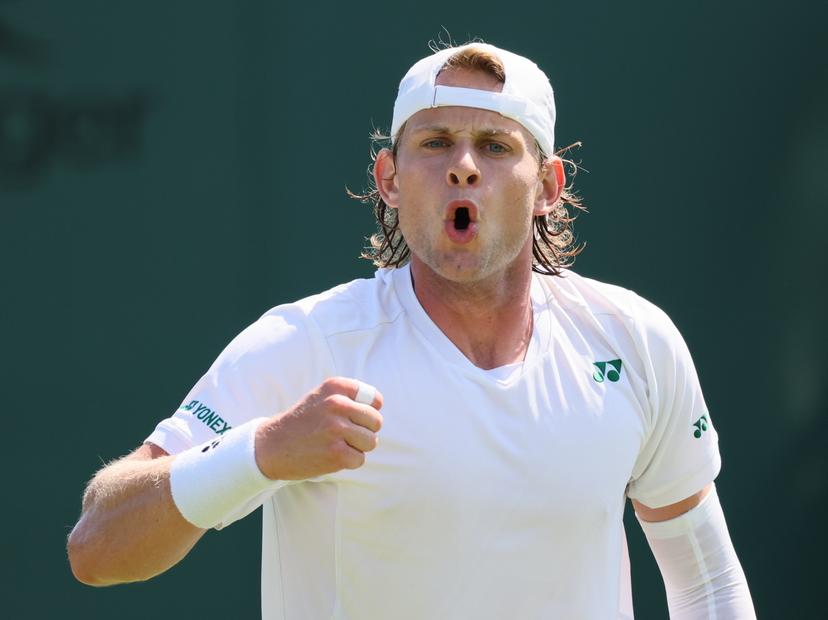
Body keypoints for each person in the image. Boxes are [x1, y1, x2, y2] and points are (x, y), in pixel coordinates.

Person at [67, 41, 756, 619]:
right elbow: (97, 546)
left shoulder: (634, 342)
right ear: (390, 180)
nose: (463, 165)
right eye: (435, 143)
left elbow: (708, 584)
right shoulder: (308, 344)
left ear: (547, 186)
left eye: (493, 145)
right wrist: (265, 451)